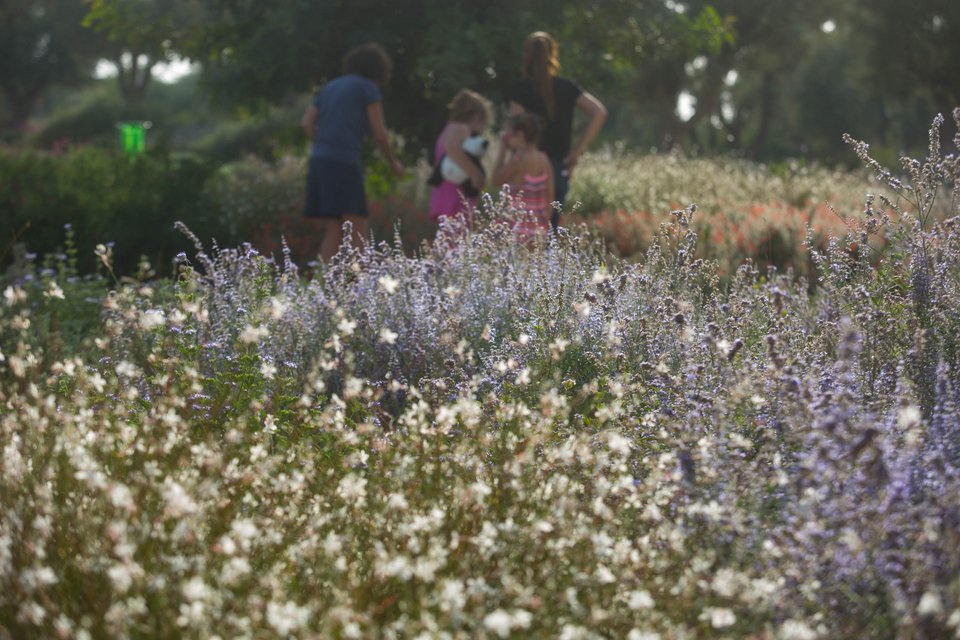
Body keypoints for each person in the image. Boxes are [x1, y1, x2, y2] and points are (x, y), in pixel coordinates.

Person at [300, 43, 404, 262]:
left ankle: (322, 281)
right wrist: (393, 162)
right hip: (344, 161)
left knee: (334, 229)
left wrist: (324, 141)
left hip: (319, 160)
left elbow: (306, 124)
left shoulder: (329, 88)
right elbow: (380, 134)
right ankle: (360, 282)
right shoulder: (367, 88)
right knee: (357, 227)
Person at [505, 31, 607, 229]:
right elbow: (599, 112)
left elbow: (516, 131)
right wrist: (577, 151)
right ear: (553, 55)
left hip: (526, 168)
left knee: (521, 232)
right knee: (549, 230)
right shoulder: (567, 87)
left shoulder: (518, 89)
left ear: (527, 56)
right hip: (557, 167)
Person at [429, 89, 493, 230]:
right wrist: (475, 174)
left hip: (444, 190)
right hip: (454, 192)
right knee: (457, 234)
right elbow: (452, 147)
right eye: (482, 123)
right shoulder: (462, 129)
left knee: (448, 234)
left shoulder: (449, 128)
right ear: (476, 117)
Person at [491, 113, 555, 238]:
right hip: (537, 228)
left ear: (520, 135)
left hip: (517, 229)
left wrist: (502, 151)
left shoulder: (518, 159)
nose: (506, 138)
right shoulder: (545, 160)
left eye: (508, 134)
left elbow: (495, 180)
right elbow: (550, 196)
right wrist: (544, 224)